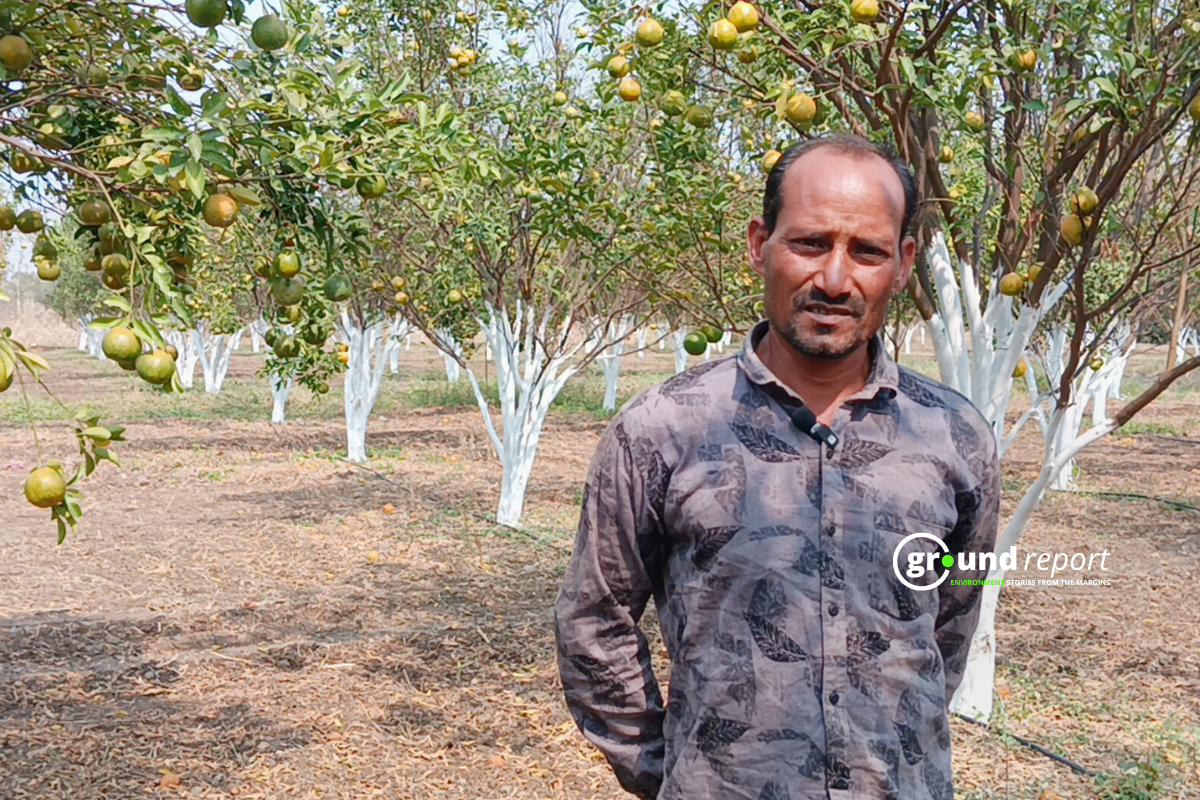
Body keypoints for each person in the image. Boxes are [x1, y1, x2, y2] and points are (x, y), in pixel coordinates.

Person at [553, 133, 1000, 800]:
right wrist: (676, 769)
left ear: (903, 264)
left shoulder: (955, 435)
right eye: (811, 243)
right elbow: (595, 622)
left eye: (868, 251)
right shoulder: (663, 428)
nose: (835, 279)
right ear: (760, 243)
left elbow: (948, 624)